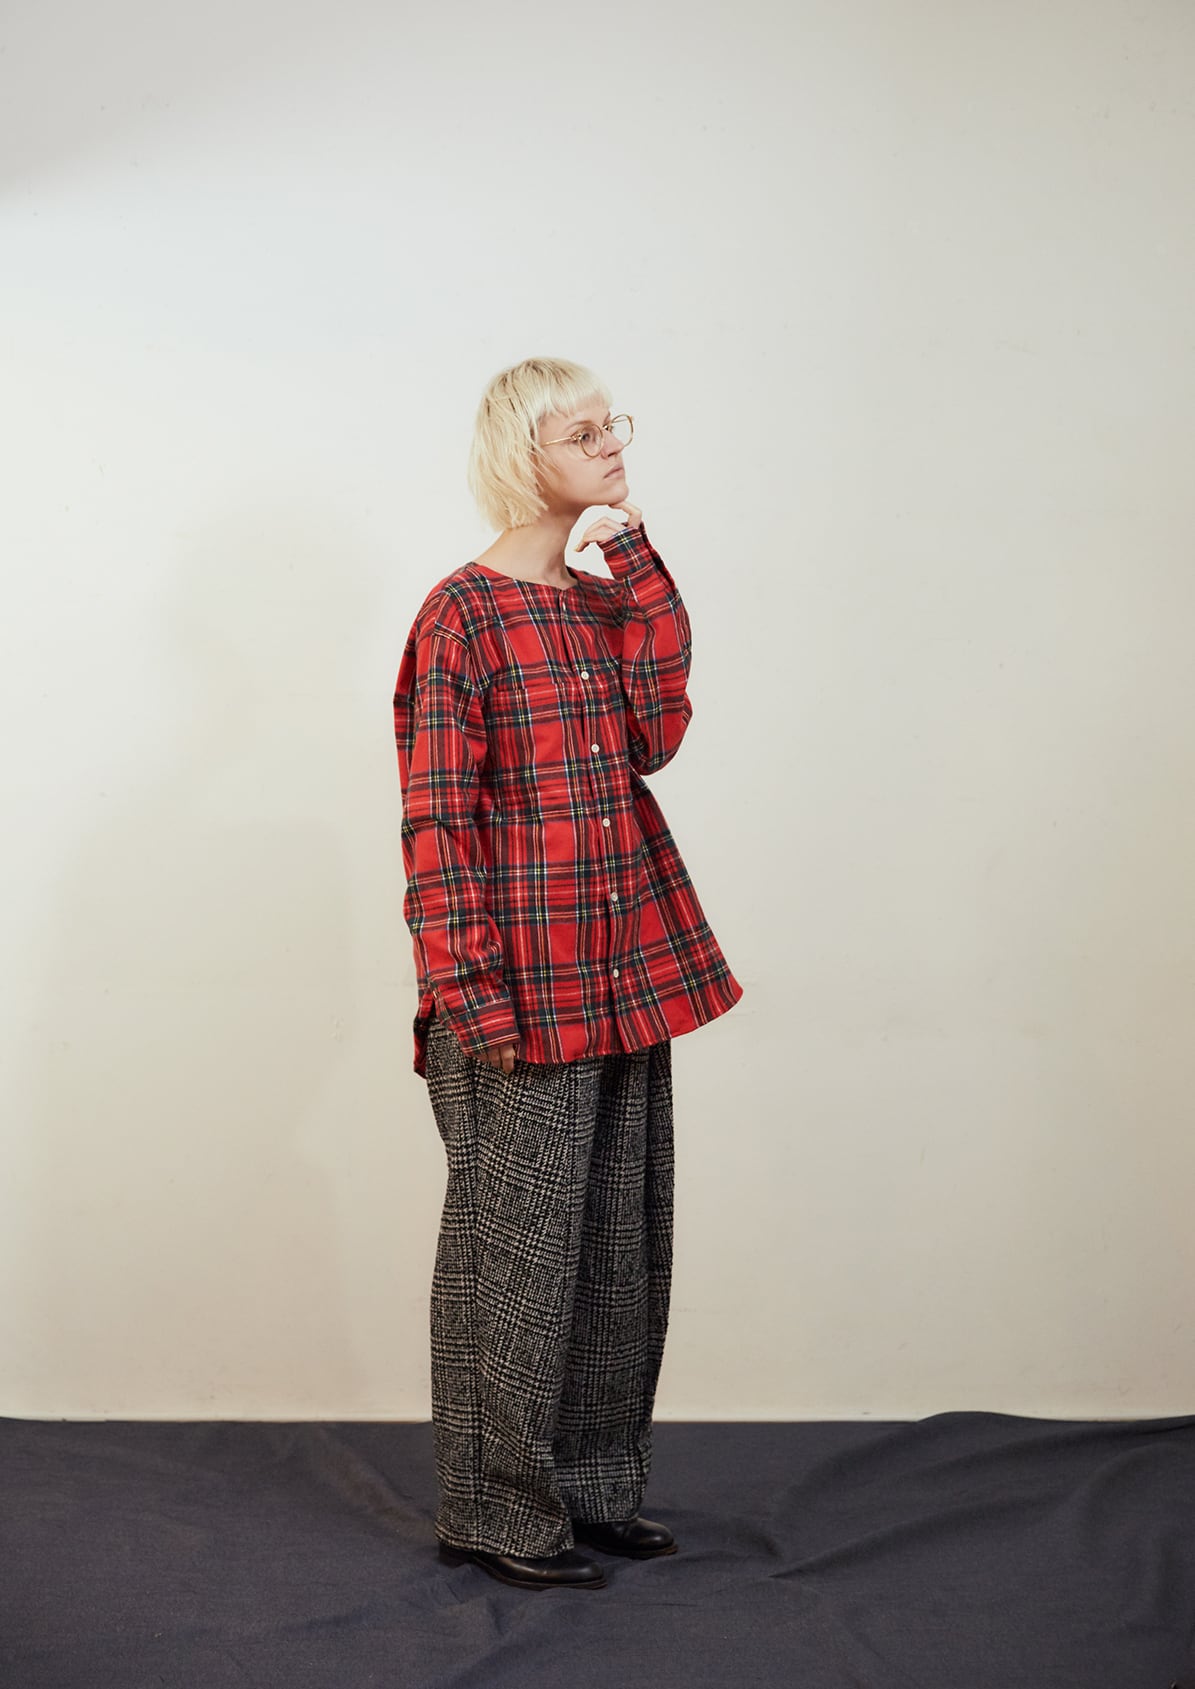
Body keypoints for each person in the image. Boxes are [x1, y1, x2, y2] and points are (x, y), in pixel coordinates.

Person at [392, 356, 744, 1591]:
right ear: (519, 455)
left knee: (615, 1251)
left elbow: (655, 729)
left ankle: (591, 1489)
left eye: (612, 426)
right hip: (515, 990)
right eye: (582, 433)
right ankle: (495, 1508)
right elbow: (438, 819)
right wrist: (467, 989)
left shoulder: (597, 607)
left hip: (621, 972)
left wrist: (634, 560)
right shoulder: (460, 616)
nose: (611, 444)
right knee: (516, 1263)